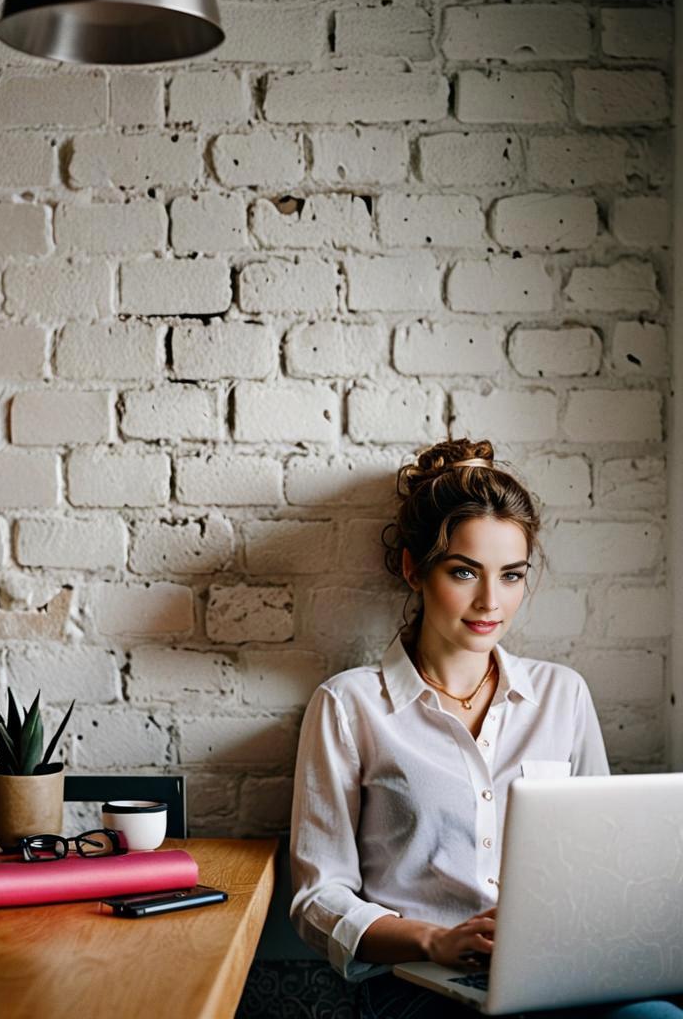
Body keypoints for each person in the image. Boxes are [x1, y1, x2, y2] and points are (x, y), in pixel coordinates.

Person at [290, 437, 682, 1019]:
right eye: (465, 572)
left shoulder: (562, 695)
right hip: (418, 984)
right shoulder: (349, 706)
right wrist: (435, 941)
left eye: (513, 575)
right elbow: (318, 899)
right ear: (413, 568)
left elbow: (604, 867)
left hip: (555, 973)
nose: (490, 602)